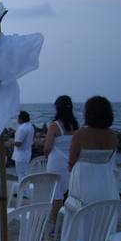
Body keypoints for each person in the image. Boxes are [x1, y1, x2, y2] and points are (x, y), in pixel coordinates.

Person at [50, 96, 119, 241]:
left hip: (84, 182)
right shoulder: (113, 136)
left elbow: (71, 161)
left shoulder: (81, 134)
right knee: (102, 221)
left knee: (79, 221)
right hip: (106, 184)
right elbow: (111, 160)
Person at [44, 95, 78, 224]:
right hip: (70, 162)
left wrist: (46, 155)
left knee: (56, 194)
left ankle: (54, 222)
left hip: (56, 163)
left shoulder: (54, 126)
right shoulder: (75, 125)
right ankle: (67, 221)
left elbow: (47, 147)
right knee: (69, 192)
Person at [10, 110, 34, 180]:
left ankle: (23, 190)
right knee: (25, 173)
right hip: (27, 153)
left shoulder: (22, 128)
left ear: (21, 119)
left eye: (18, 118)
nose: (17, 119)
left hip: (20, 155)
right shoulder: (31, 127)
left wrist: (11, 142)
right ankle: (26, 190)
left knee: (21, 175)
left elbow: (18, 143)